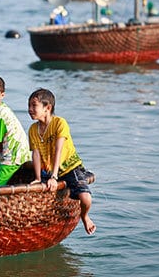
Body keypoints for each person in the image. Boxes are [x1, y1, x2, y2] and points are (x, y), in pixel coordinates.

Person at [27, 88, 96, 235]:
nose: (30, 109)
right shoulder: (33, 129)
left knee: (86, 199)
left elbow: (59, 150)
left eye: (34, 106)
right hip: (48, 170)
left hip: (70, 167)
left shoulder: (60, 123)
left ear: (47, 108)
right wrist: (38, 178)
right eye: (29, 106)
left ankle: (84, 216)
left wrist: (54, 176)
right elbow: (36, 154)